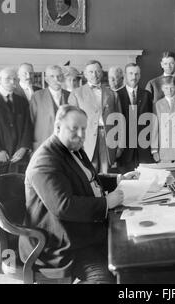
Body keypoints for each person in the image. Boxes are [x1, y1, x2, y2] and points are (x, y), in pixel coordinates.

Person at [19, 104, 137, 284]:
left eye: (84, 129)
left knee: (132, 254)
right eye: (74, 129)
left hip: (83, 231)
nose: (81, 135)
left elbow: (88, 178)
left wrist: (118, 179)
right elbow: (64, 206)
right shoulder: (45, 160)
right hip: (62, 244)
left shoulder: (71, 147)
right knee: (107, 278)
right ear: (57, 127)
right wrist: (106, 203)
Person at [68, 60, 123, 173]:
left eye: (98, 71)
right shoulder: (76, 94)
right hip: (85, 139)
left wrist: (120, 145)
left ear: (102, 73)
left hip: (107, 138)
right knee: (88, 173)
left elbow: (120, 122)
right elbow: (71, 123)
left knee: (106, 173)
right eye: (91, 72)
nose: (95, 74)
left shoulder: (112, 94)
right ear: (85, 74)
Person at [0, 67, 32, 175]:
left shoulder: (22, 101)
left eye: (14, 79)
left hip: (19, 158)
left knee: (18, 189)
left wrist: (23, 147)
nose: (12, 82)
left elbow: (27, 126)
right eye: (8, 79)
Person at [116, 63, 154, 172]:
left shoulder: (147, 95)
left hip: (144, 148)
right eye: (131, 73)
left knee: (146, 181)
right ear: (125, 75)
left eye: (136, 74)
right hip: (125, 149)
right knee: (126, 183)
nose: (134, 77)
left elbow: (152, 121)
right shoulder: (116, 95)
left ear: (140, 75)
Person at [30, 65, 69, 151]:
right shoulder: (37, 96)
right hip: (42, 144)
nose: (56, 79)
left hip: (66, 145)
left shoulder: (70, 96)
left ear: (63, 78)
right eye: (52, 76)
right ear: (46, 79)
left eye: (59, 76)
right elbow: (30, 122)